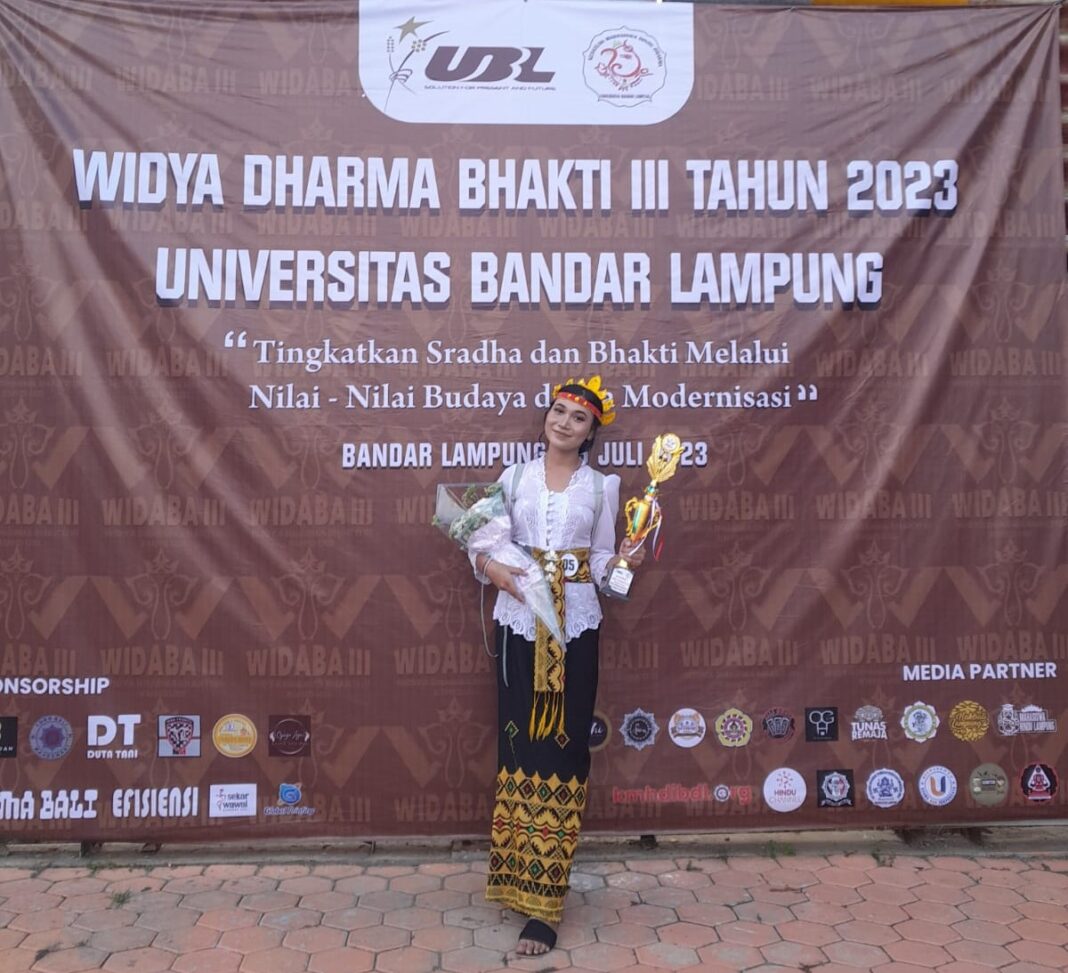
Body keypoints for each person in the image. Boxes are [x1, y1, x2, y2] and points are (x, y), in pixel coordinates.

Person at [470, 376, 645, 956]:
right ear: (546, 416)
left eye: (578, 417)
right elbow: (482, 544)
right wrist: (495, 571)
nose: (564, 422)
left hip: (575, 630)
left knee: (563, 751)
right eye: (559, 410)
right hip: (521, 622)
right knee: (519, 747)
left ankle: (546, 903)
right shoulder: (513, 477)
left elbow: (602, 563)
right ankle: (514, 881)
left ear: (591, 432)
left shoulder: (601, 487)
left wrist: (624, 561)